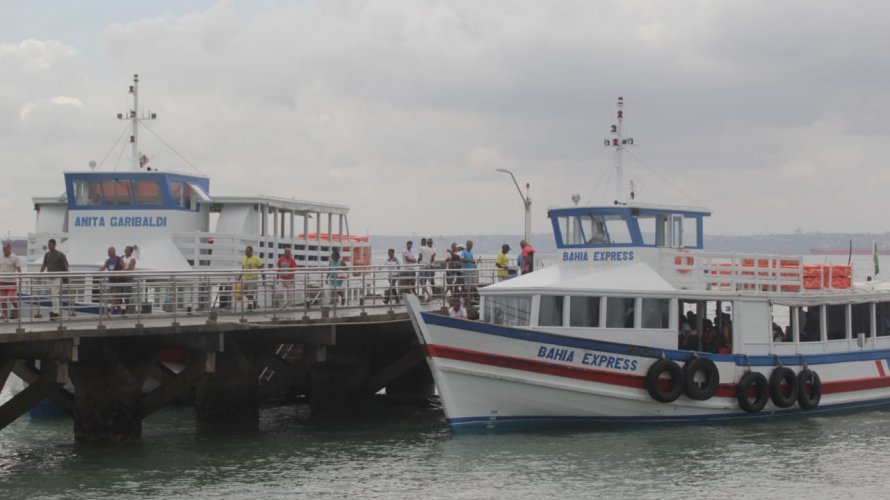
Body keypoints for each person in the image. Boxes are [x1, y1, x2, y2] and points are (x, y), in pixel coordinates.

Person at [40, 238, 70, 319]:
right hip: (50, 278)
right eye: (49, 245)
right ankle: (57, 311)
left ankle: (55, 312)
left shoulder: (60, 255)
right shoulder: (47, 254)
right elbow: (44, 264)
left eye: (51, 245)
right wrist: (40, 274)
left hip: (58, 277)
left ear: (55, 245)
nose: (49, 246)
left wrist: (66, 279)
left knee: (54, 294)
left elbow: (66, 267)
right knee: (53, 294)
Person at [98, 246, 125, 316]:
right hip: (111, 281)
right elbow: (103, 267)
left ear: (113, 252)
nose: (108, 254)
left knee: (115, 296)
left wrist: (118, 273)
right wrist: (96, 272)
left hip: (118, 281)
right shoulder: (108, 260)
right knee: (117, 298)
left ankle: (111, 312)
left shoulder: (119, 259)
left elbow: (124, 268)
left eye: (109, 252)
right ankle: (121, 310)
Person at [0, 242, 22, 320]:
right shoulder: (1, 258)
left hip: (11, 281)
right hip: (2, 282)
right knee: (2, 300)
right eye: (3, 249)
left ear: (9, 249)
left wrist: (20, 279)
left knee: (12, 298)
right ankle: (5, 316)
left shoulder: (15, 257)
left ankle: (17, 312)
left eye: (5, 249)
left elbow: (19, 269)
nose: (4, 251)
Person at [241, 246, 263, 310]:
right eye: (245, 251)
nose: (246, 252)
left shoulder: (256, 259)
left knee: (250, 294)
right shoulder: (244, 258)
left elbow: (261, 267)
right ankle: (254, 302)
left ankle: (250, 306)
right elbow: (242, 268)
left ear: (251, 251)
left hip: (253, 278)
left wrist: (263, 278)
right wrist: (239, 277)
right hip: (246, 278)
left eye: (247, 251)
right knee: (242, 291)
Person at [120, 245, 138, 313]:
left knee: (126, 295)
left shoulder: (132, 259)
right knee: (120, 294)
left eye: (127, 250)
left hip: (128, 278)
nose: (125, 251)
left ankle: (125, 310)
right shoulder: (122, 257)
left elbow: (130, 268)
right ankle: (122, 309)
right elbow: (120, 265)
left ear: (131, 252)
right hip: (121, 278)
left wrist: (123, 270)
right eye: (125, 250)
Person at [418, 237, 436, 302]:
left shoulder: (421, 248)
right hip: (428, 267)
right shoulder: (429, 249)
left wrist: (418, 261)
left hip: (423, 267)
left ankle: (428, 294)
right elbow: (432, 258)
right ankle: (423, 296)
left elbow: (420, 257)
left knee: (422, 282)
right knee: (424, 282)